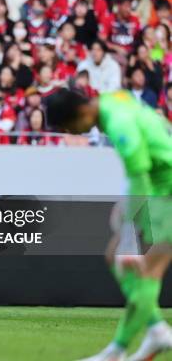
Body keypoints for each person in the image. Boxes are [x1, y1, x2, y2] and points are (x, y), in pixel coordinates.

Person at [47, 89, 172, 361]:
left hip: (166, 189)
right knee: (114, 255)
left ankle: (118, 350)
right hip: (160, 188)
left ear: (81, 113)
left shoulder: (119, 123)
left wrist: (131, 239)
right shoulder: (112, 100)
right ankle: (156, 329)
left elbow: (139, 173)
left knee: (145, 268)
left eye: (70, 127)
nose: (73, 133)